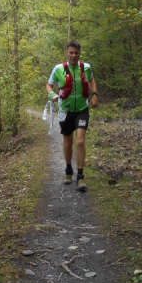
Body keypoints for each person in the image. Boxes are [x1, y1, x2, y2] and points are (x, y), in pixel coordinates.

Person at [46, 40, 98, 191]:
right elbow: (49, 85)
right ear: (66, 53)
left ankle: (80, 176)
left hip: (82, 110)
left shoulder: (86, 67)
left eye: (76, 53)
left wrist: (95, 94)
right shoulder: (58, 69)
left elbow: (91, 81)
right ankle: (68, 170)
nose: (74, 55)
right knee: (68, 142)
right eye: (71, 53)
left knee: (80, 142)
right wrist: (52, 94)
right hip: (66, 111)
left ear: (79, 54)